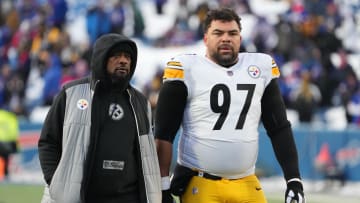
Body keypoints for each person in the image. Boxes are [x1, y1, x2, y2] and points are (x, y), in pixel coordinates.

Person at [155, 8, 305, 203]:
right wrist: (163, 186)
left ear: (240, 39)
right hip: (202, 181)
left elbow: (279, 127)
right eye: (218, 33)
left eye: (232, 33)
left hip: (247, 180)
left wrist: (294, 180)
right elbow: (163, 134)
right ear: (205, 39)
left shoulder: (259, 67)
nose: (226, 38)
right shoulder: (187, 68)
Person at [38, 33, 161, 203]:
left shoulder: (141, 102)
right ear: (101, 59)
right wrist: (57, 183)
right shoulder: (71, 93)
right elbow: (48, 142)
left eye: (127, 57)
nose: (123, 61)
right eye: (116, 56)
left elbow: (147, 155)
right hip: (83, 197)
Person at [0, 109, 19, 180]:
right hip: (7, 142)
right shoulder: (11, 117)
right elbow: (14, 132)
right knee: (6, 159)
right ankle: (5, 176)